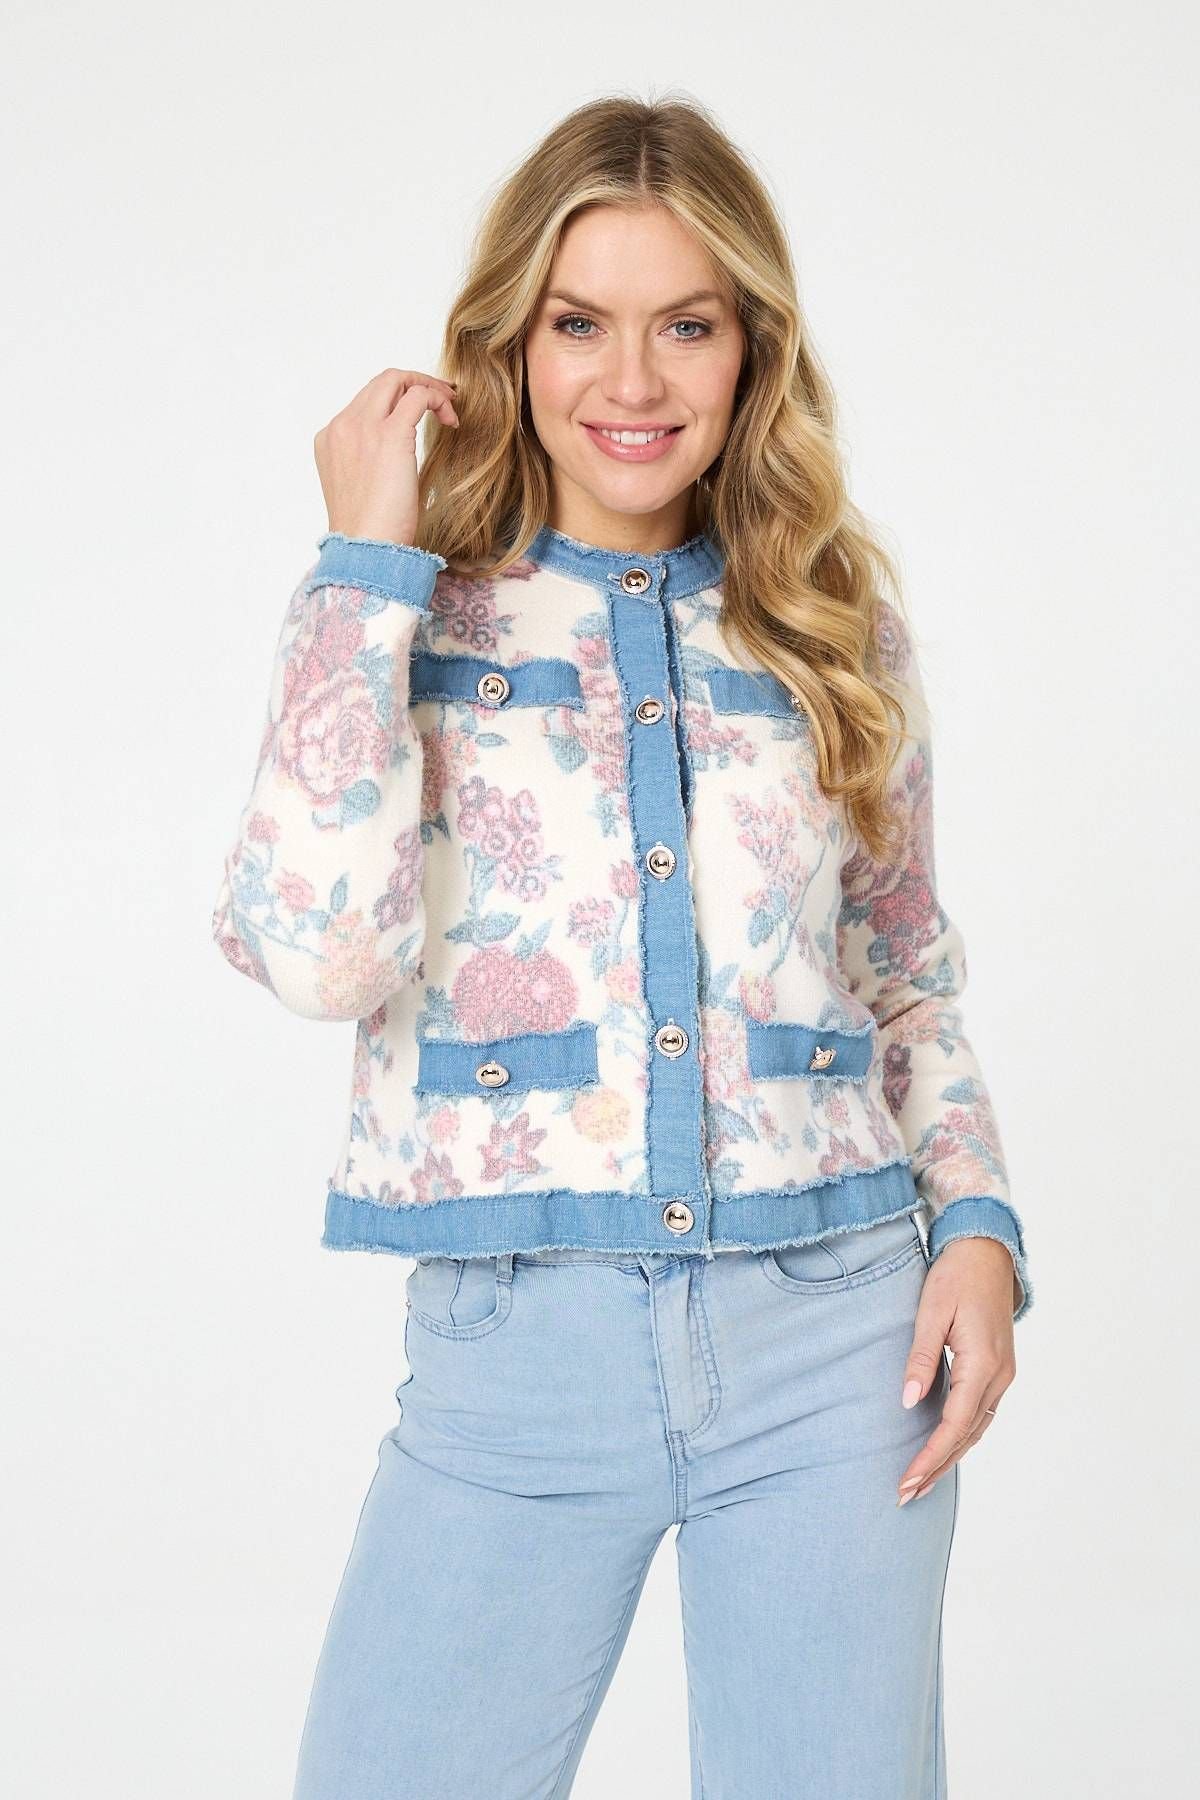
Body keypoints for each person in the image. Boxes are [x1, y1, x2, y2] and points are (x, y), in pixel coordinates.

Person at [211, 93, 1033, 1799]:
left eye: (688, 325)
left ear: (752, 348)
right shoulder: (398, 607)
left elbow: (901, 971)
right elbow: (314, 954)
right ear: (511, 342)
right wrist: (361, 567)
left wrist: (977, 1231)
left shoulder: (832, 623)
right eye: (581, 323)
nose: (634, 380)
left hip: (838, 1338)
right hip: (517, 1352)